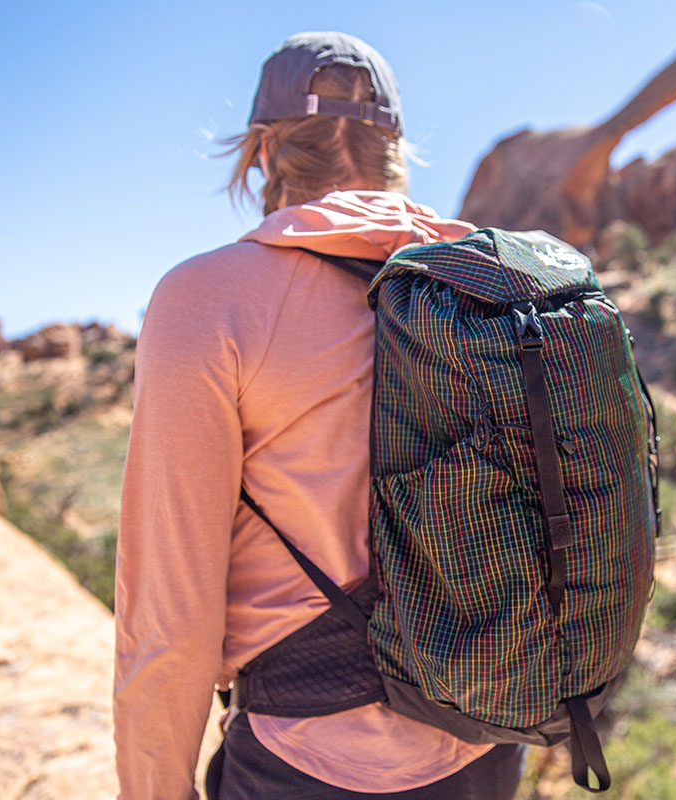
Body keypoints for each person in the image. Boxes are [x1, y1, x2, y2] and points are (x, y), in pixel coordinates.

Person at [113, 32, 525, 799]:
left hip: (306, 759)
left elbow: (169, 620)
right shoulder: (497, 285)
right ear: (393, 149)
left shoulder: (210, 299)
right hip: (490, 737)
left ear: (263, 153)